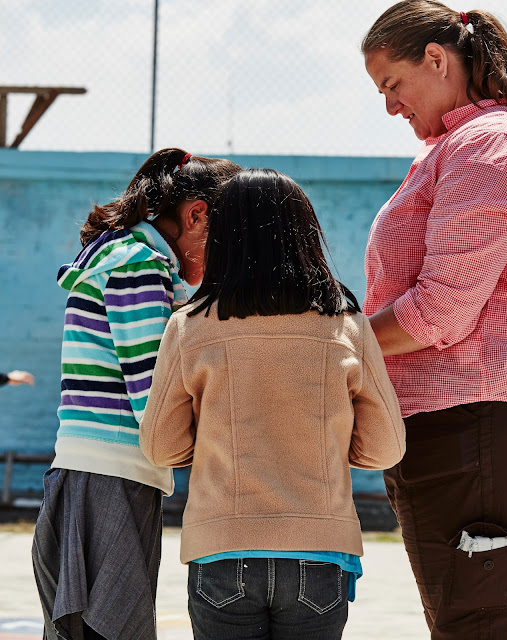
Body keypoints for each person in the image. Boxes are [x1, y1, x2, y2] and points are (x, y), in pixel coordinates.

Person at [360, 2, 507, 638]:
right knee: (466, 622)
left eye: (392, 84)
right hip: (463, 419)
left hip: (484, 413)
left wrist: (337, 341)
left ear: (437, 59)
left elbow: (443, 308)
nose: (390, 107)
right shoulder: (459, 146)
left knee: (475, 625)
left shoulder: (490, 142)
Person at [139, 168, 405, 640]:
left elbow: (161, 447)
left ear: (222, 238)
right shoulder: (347, 326)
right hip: (320, 551)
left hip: (221, 548)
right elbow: (386, 448)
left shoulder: (188, 326)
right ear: (306, 236)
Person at [31, 148, 242, 640]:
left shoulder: (126, 257)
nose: (226, 258)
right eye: (227, 240)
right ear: (195, 215)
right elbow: (154, 398)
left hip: (99, 473)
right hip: (112, 475)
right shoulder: (139, 266)